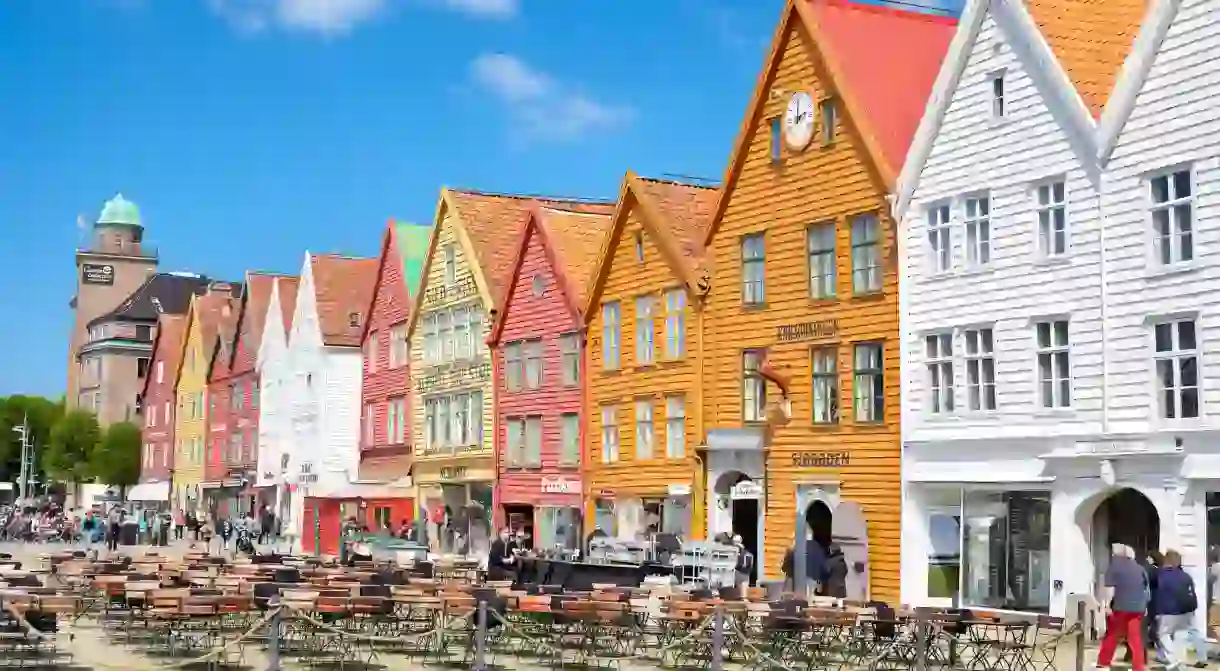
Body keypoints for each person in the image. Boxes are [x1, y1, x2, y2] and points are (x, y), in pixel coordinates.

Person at [1097, 544, 1150, 671]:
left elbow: (1110, 589)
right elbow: (1146, 590)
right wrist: (1145, 606)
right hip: (1138, 608)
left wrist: (1106, 605)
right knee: (1135, 638)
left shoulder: (1114, 567)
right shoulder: (1140, 568)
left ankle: (1104, 662)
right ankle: (1138, 666)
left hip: (1121, 607)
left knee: (1112, 635)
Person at [1155, 549, 1208, 670]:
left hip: (1170, 611)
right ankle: (1202, 656)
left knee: (1163, 634)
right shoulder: (1186, 576)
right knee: (1192, 632)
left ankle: (1175, 659)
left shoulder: (1162, 575)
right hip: (1188, 610)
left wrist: (1158, 611)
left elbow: (1160, 594)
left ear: (1166, 560)